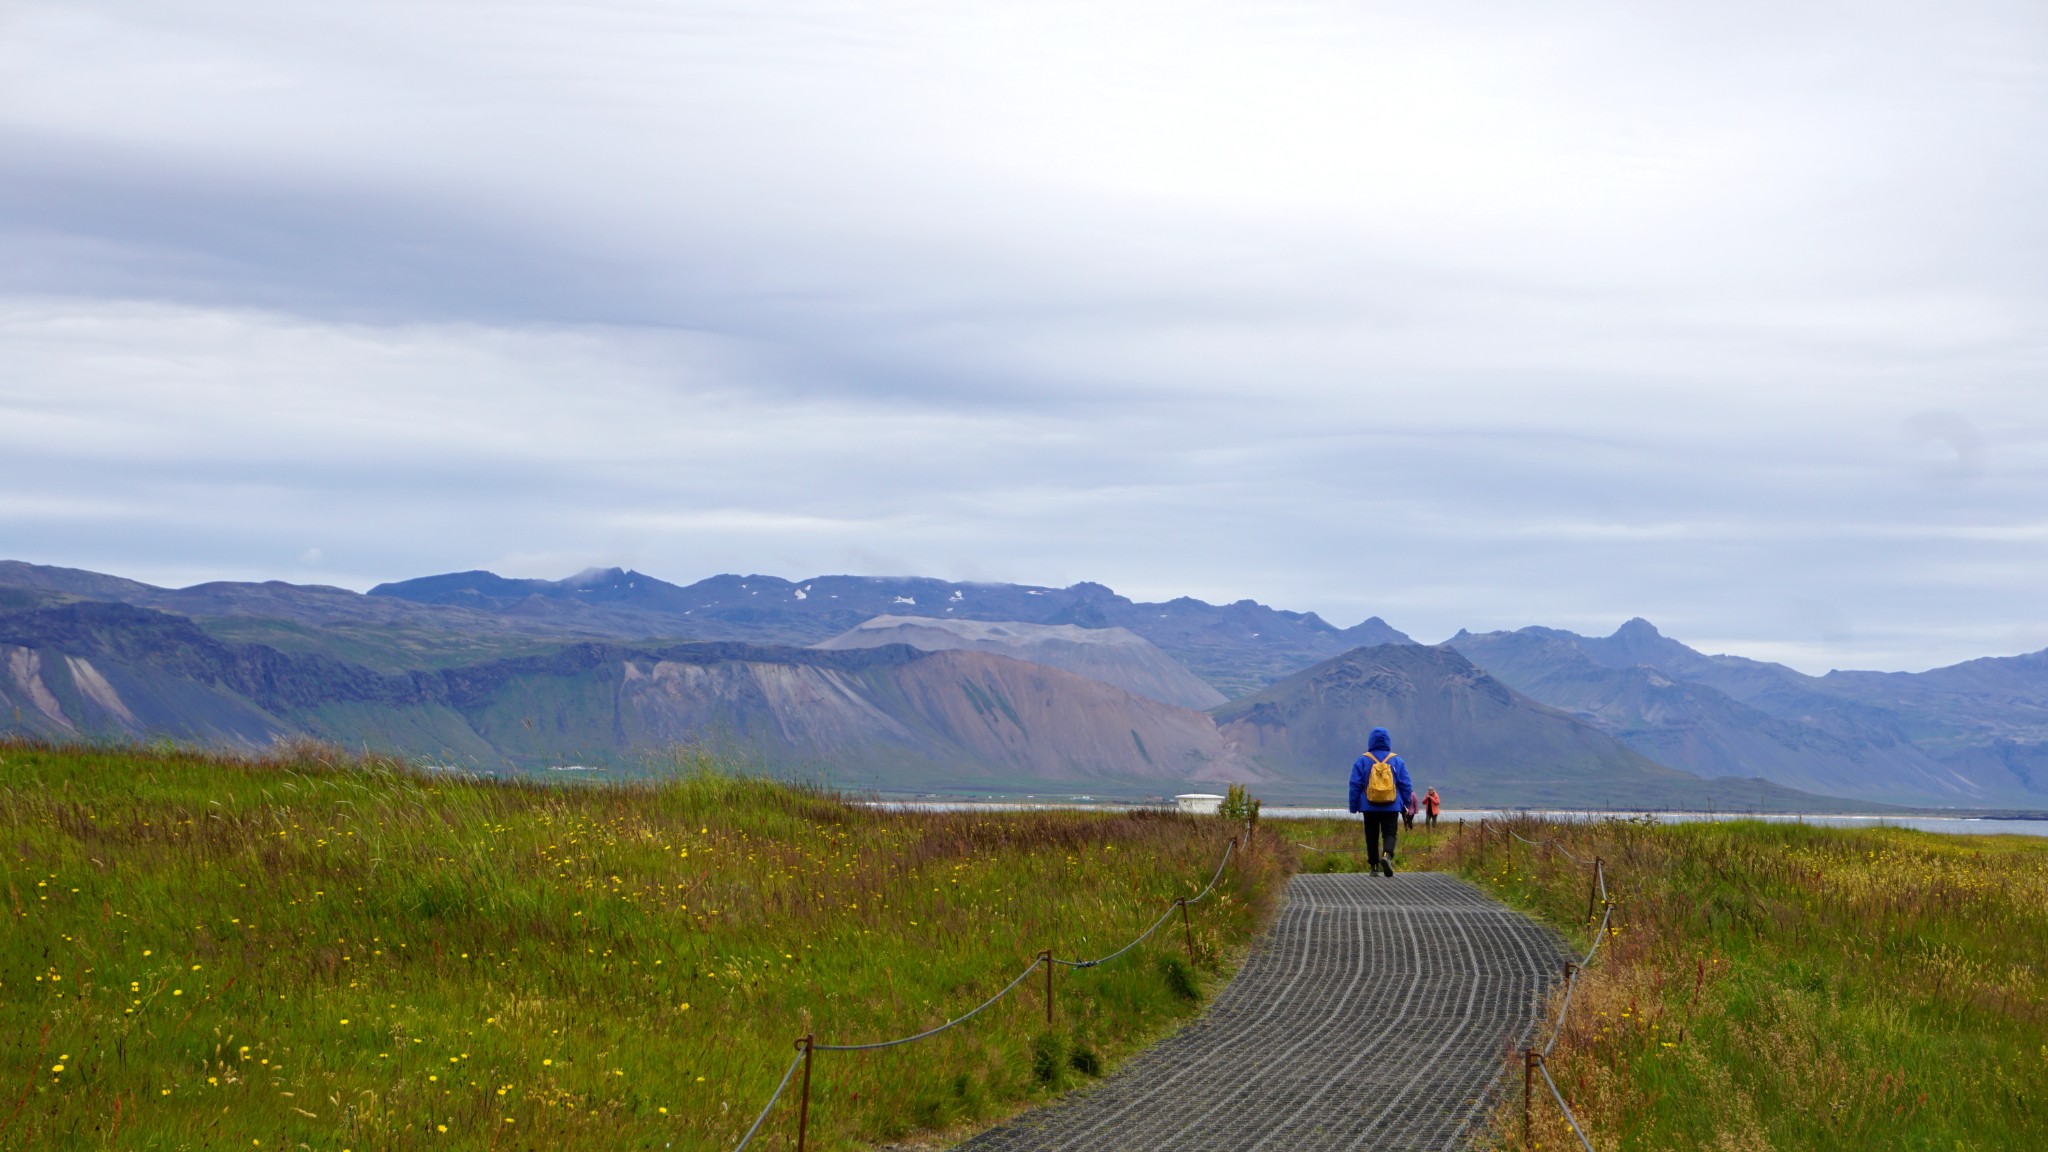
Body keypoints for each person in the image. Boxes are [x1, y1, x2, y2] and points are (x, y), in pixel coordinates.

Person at [1347, 727, 1414, 877]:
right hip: (1391, 805)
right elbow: (1405, 784)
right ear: (1388, 741)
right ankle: (1387, 855)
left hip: (1369, 806)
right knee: (1390, 834)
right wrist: (1406, 803)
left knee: (1371, 836)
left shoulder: (1362, 760)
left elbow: (1355, 784)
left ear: (1370, 741)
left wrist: (1353, 806)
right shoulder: (1396, 760)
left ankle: (1374, 866)